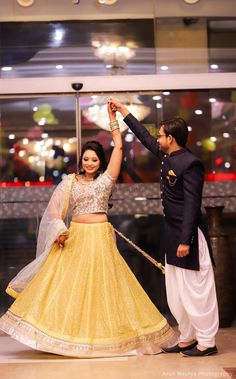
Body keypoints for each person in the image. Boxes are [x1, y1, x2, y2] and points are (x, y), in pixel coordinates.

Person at [0, 102, 174, 358]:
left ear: (100, 162)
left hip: (101, 238)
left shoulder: (106, 179)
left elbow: (120, 146)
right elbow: (53, 213)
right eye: (86, 159)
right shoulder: (70, 182)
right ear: (80, 161)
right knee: (68, 288)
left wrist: (112, 119)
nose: (90, 163)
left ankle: (110, 337)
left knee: (106, 287)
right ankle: (64, 338)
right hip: (75, 239)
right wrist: (59, 230)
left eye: (94, 159)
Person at [108, 97, 219, 357]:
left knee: (196, 289)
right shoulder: (167, 155)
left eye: (160, 136)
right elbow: (144, 137)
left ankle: (207, 340)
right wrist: (124, 112)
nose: (156, 139)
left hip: (188, 237)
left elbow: (192, 205)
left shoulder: (190, 164)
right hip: (173, 233)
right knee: (177, 290)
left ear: (171, 138)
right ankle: (188, 337)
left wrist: (185, 240)